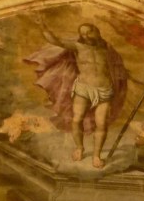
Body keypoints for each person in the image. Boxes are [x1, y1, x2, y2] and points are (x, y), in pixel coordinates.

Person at [30, 19, 128, 168]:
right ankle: (79, 147)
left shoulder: (107, 49)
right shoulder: (78, 46)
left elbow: (121, 69)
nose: (87, 36)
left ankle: (96, 156)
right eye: (83, 33)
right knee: (76, 120)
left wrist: (142, 83)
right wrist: (43, 27)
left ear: (96, 31)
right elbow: (55, 41)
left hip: (104, 89)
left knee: (102, 124)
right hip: (83, 88)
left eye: (89, 32)